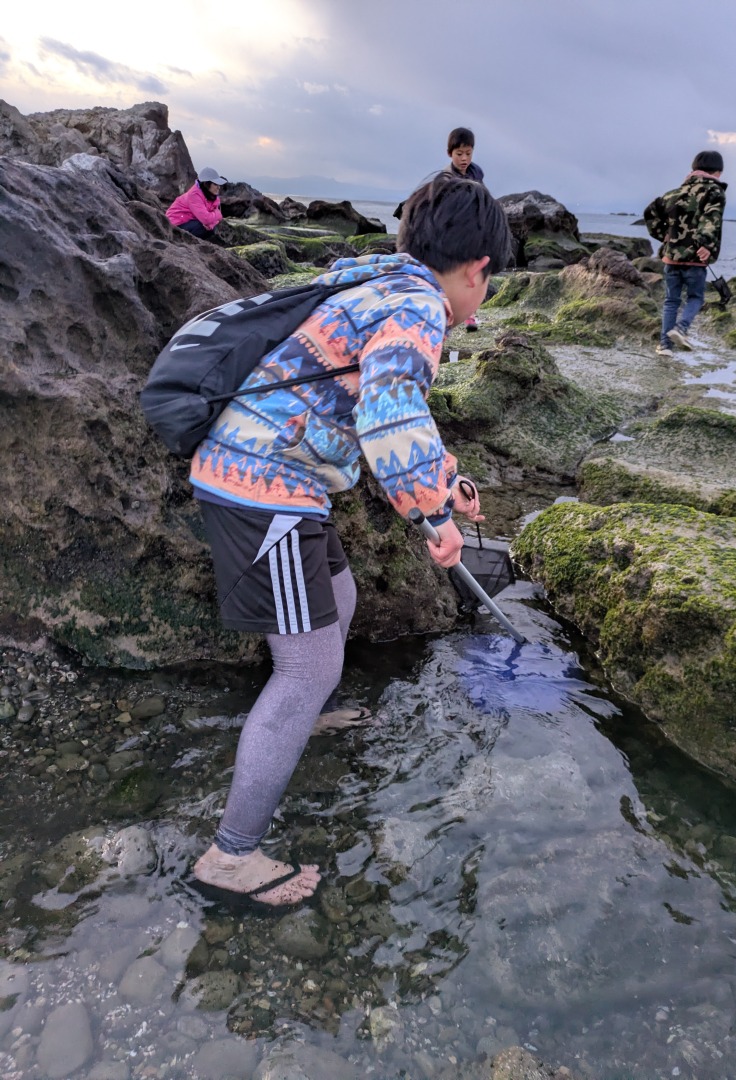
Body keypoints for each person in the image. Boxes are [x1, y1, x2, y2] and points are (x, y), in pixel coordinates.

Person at [190, 172, 513, 907]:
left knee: (339, 596)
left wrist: (446, 482)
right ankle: (230, 858)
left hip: (275, 477)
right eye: (488, 285)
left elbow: (384, 405)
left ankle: (306, 715)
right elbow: (390, 416)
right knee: (304, 667)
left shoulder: (378, 284)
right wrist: (434, 520)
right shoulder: (420, 306)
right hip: (261, 486)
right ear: (478, 269)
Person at [644, 150, 727, 357]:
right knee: (695, 298)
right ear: (718, 172)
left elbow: (650, 213)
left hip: (672, 257)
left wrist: (664, 235)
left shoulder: (674, 193)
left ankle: (665, 346)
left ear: (694, 169)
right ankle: (681, 329)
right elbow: (711, 218)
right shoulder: (714, 192)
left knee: (671, 301)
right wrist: (705, 244)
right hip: (696, 258)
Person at [445, 127, 485, 330]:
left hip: (473, 231)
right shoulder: (447, 178)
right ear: (450, 153)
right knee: (454, 275)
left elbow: (482, 197)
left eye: (468, 154)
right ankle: (450, 313)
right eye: (459, 154)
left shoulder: (476, 172)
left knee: (473, 274)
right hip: (454, 233)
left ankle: (470, 315)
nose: (464, 159)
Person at [166, 167, 227, 240]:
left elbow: (217, 219)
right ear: (207, 184)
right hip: (176, 224)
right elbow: (207, 218)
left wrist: (211, 224)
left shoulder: (212, 196)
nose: (218, 187)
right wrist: (217, 214)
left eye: (219, 184)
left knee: (211, 229)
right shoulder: (194, 195)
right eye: (215, 184)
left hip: (191, 220)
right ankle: (183, 241)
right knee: (202, 228)